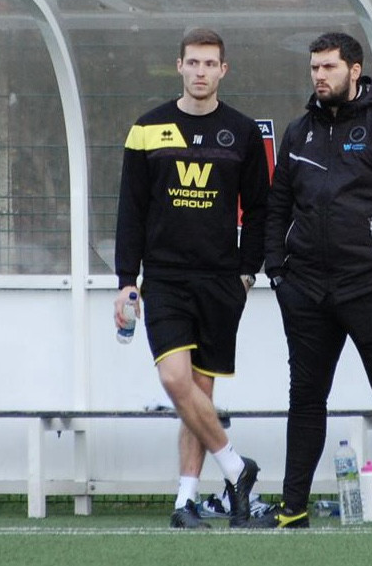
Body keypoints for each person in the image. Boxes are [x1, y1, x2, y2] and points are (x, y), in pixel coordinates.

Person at [253, 32, 372, 529]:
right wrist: (278, 273)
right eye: (314, 67)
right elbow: (277, 208)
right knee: (306, 397)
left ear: (354, 71)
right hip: (307, 291)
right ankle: (293, 508)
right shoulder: (299, 133)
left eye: (330, 67)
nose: (319, 76)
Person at [114, 28, 270, 529]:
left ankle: (185, 501)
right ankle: (235, 467)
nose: (201, 72)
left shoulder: (243, 132)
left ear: (224, 70)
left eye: (210, 64)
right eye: (193, 63)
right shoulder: (147, 128)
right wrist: (126, 279)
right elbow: (131, 211)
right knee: (175, 379)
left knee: (198, 395)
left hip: (221, 281)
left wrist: (247, 273)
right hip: (165, 280)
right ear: (178, 66)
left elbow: (262, 211)